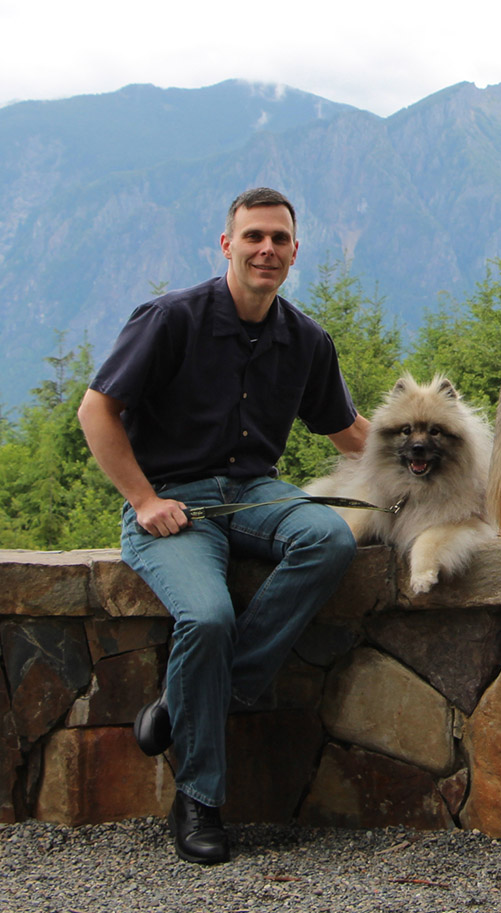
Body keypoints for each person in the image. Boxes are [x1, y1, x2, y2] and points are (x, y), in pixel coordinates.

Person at [78, 187, 369, 865]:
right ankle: (201, 800)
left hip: (256, 493)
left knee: (328, 536)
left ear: (295, 251)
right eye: (254, 237)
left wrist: (442, 475)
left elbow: (351, 433)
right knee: (206, 615)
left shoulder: (306, 339)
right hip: (173, 501)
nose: (266, 249)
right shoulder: (170, 318)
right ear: (227, 245)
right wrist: (145, 498)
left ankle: (193, 699)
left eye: (279, 238)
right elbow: (97, 410)